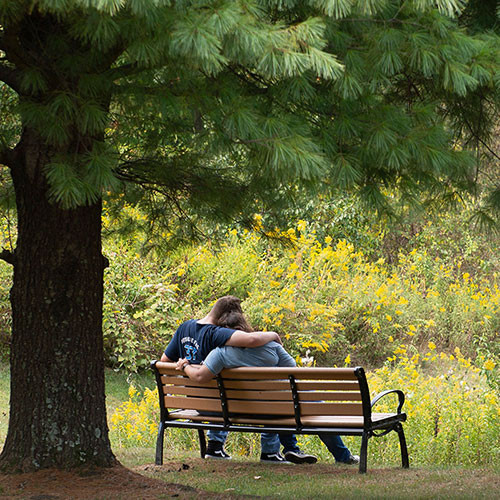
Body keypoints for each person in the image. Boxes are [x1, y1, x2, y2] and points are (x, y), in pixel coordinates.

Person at [176, 308, 360, 466]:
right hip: (273, 409)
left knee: (278, 403)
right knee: (311, 406)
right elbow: (294, 373)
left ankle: (287, 448)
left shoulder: (218, 354)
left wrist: (185, 366)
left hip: (233, 409)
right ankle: (341, 456)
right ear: (243, 329)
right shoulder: (271, 347)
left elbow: (200, 376)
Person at [161, 295, 314, 462]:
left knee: (220, 393)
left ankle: (215, 447)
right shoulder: (217, 334)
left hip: (200, 404)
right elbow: (251, 339)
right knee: (273, 401)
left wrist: (185, 366)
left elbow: (164, 363)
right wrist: (273, 334)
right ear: (228, 315)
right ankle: (272, 451)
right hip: (237, 405)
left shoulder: (184, 327)